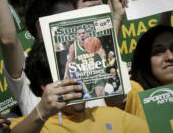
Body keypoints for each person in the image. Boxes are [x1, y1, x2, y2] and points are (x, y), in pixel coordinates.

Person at [9, 41, 149, 133]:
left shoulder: (112, 116)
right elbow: (8, 39)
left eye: (79, 73)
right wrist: (40, 114)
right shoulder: (31, 127)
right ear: (45, 86)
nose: (78, 82)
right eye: (68, 75)